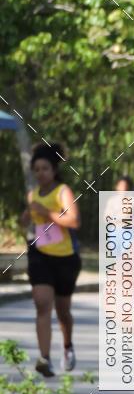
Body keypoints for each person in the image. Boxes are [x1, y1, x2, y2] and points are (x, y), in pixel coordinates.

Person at [20, 143, 81, 376]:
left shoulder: (62, 191)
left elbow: (74, 221)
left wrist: (46, 213)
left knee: (63, 310)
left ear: (54, 170)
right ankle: (44, 358)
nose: (40, 173)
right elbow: (26, 222)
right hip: (39, 255)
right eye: (36, 169)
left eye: (44, 168)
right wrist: (26, 216)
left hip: (65, 258)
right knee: (42, 303)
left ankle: (67, 346)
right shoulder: (32, 194)